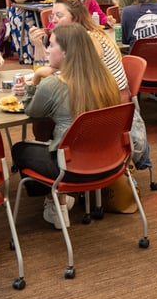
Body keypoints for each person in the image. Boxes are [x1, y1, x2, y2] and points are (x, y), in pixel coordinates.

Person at [11, 23, 121, 229]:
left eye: (51, 45)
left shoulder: (54, 84)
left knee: (20, 150)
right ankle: (59, 198)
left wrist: (35, 78)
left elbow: (31, 111)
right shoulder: (107, 79)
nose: (48, 49)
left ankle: (56, 201)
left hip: (71, 168)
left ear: (65, 52)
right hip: (109, 162)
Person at [30, 0, 127, 95]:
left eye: (59, 16)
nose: (53, 20)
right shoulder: (71, 38)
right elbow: (48, 67)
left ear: (75, 18)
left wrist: (36, 79)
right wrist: (38, 45)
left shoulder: (88, 38)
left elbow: (67, 81)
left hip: (111, 102)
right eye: (52, 16)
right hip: (96, 96)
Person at [9, 0, 56, 64]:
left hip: (40, 11)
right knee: (31, 25)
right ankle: (29, 56)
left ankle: (50, 54)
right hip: (22, 12)